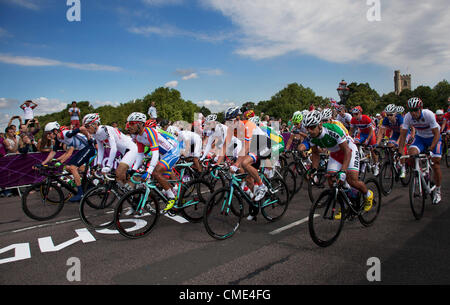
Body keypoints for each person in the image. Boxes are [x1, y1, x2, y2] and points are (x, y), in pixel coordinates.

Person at [303, 110, 373, 218]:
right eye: (307, 127)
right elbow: (316, 153)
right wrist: (314, 169)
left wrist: (343, 171)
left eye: (312, 127)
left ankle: (368, 195)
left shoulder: (333, 130)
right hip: (335, 153)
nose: (309, 130)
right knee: (331, 181)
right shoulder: (311, 136)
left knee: (351, 179)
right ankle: (345, 203)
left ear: (320, 124)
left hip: (349, 149)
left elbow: (347, 152)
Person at [126, 112, 180, 211]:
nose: (130, 126)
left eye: (132, 123)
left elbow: (154, 153)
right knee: (158, 177)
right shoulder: (138, 137)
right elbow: (140, 155)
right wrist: (133, 169)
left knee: (155, 172)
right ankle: (171, 191)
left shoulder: (150, 132)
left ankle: (171, 197)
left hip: (172, 152)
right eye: (129, 123)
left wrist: (149, 171)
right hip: (162, 154)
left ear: (140, 124)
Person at [398, 97, 442, 204]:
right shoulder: (408, 117)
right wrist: (400, 151)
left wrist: (430, 149)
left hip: (433, 138)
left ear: (421, 108)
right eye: (411, 111)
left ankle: (438, 190)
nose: (413, 113)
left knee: (436, 164)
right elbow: (403, 136)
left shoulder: (429, 114)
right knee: (411, 154)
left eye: (416, 110)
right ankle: (419, 174)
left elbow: (437, 134)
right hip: (420, 138)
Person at [40, 121, 96, 202]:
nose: (48, 135)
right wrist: (43, 163)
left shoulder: (66, 134)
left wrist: (89, 137)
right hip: (82, 150)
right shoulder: (58, 138)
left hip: (89, 148)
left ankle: (80, 193)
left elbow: (82, 128)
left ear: (55, 131)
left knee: (73, 168)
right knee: (67, 167)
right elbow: (53, 152)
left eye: (49, 133)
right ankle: (89, 185)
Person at [82, 113, 138, 188]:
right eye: (85, 127)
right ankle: (131, 192)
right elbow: (101, 149)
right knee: (122, 177)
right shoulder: (95, 134)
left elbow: (113, 148)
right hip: (123, 152)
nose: (86, 129)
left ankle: (134, 192)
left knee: (119, 173)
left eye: (87, 126)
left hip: (131, 149)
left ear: (95, 124)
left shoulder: (105, 129)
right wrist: (98, 164)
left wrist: (108, 165)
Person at [349, 106, 379, 176]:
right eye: (353, 114)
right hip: (362, 133)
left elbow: (371, 131)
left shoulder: (366, 118)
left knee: (372, 149)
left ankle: (376, 165)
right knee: (355, 143)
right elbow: (351, 131)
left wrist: (367, 140)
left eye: (356, 114)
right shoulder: (353, 120)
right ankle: (360, 158)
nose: (355, 116)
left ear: (360, 113)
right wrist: (348, 138)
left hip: (370, 133)